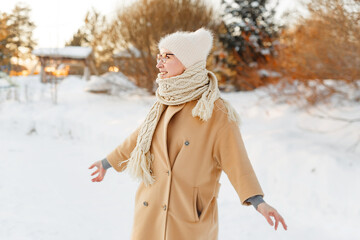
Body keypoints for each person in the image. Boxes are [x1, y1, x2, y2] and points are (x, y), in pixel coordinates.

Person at [89, 28, 287, 240]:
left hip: (188, 216)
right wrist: (106, 163)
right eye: (159, 56)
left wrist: (258, 202)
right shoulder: (163, 102)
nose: (159, 63)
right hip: (151, 210)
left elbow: (236, 160)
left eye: (167, 56)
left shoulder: (215, 111)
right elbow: (138, 139)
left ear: (188, 62)